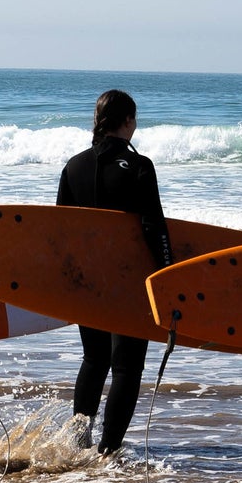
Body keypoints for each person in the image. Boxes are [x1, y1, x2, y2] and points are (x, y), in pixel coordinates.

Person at [57, 90, 172, 457]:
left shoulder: (73, 166)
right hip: (128, 282)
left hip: (86, 282)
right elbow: (154, 227)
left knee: (94, 358)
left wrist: (67, 282)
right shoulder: (140, 166)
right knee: (126, 367)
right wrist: (169, 275)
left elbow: (61, 230)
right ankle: (109, 452)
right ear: (128, 121)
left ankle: (77, 442)